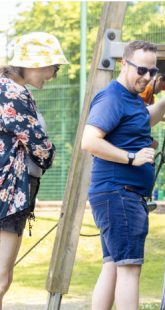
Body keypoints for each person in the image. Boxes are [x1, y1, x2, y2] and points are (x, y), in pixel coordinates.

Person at [81, 40, 165, 310]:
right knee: (129, 268)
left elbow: (144, 119)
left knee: (113, 265)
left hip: (118, 194)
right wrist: (131, 157)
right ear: (124, 64)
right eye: (141, 70)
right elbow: (89, 141)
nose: (147, 77)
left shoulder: (132, 100)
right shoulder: (112, 97)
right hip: (120, 193)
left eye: (152, 71)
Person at [0, 32, 68, 307]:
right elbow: (40, 146)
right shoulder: (12, 92)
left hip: (11, 193)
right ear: (36, 63)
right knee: (2, 276)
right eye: (54, 67)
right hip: (8, 194)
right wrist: (49, 153)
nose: (53, 75)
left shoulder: (11, 89)